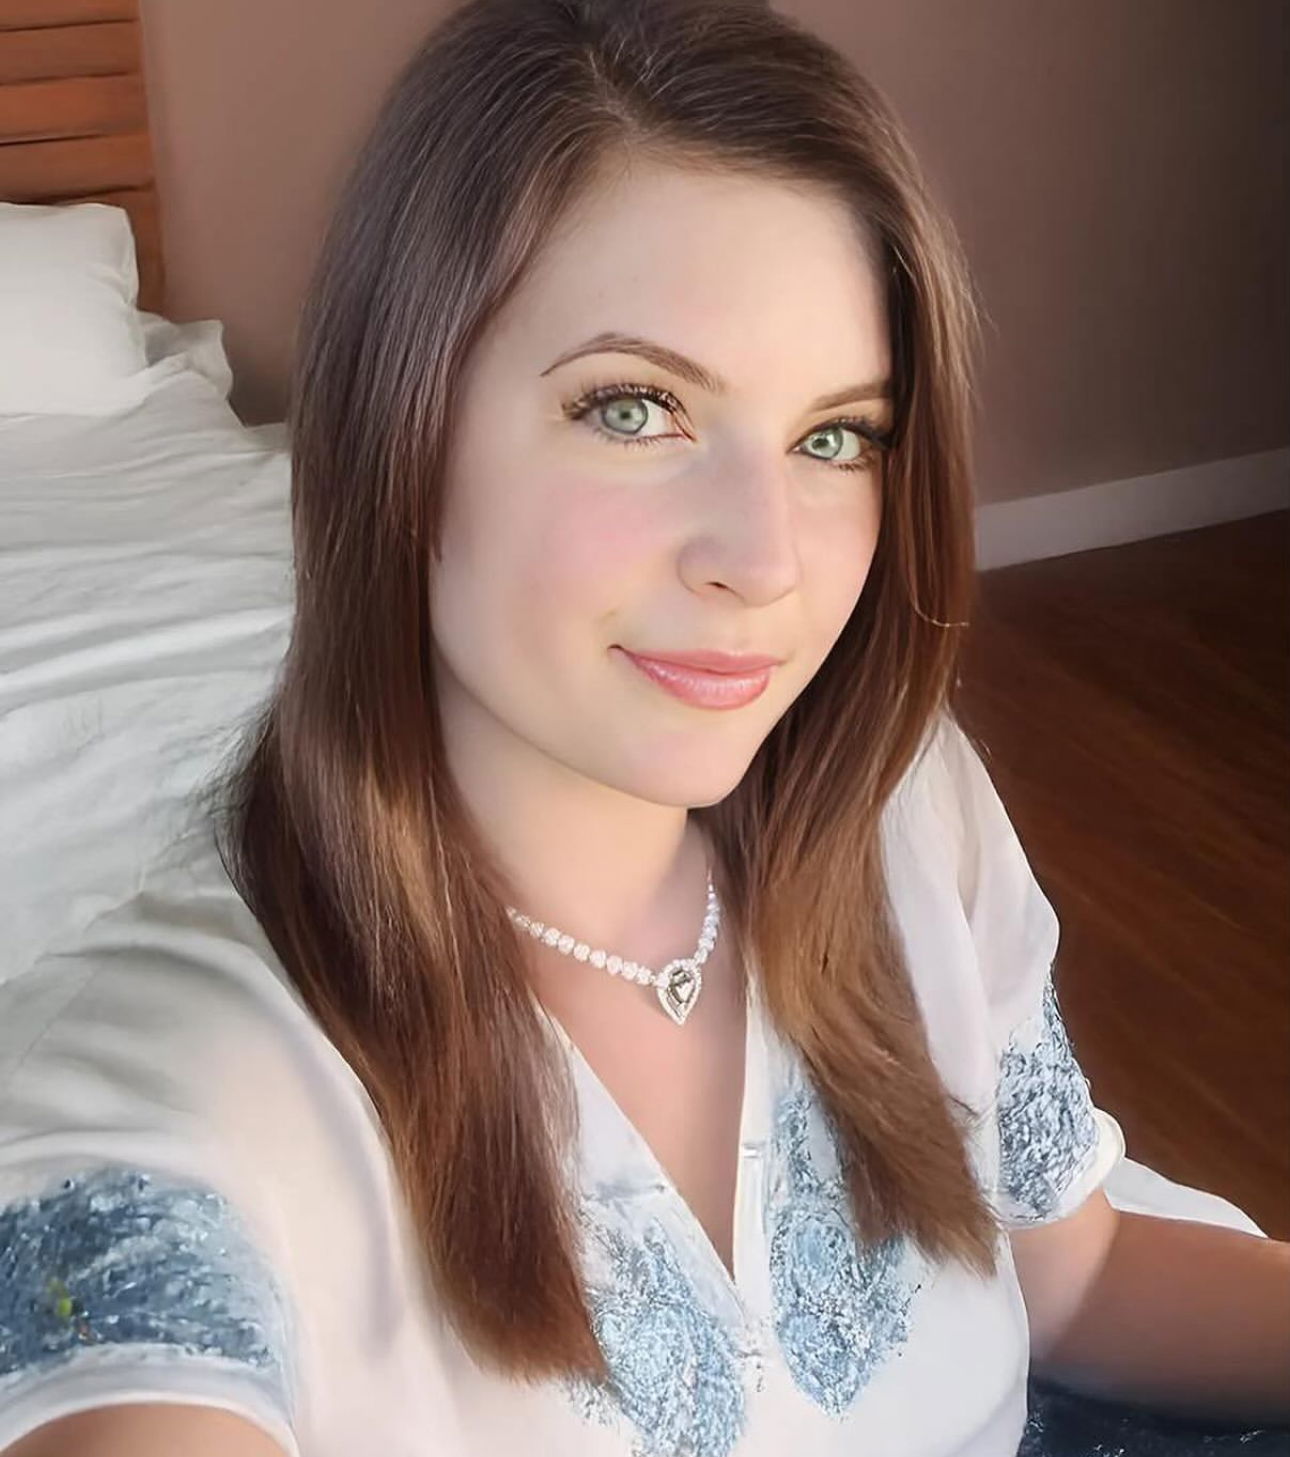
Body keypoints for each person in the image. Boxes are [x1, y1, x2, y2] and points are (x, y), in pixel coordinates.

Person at [1, 0, 1288, 1453]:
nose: (765, 562)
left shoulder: (902, 805)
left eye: (834, 437)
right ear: (396, 428)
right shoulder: (162, 1097)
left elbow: (1076, 1273)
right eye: (634, 409)